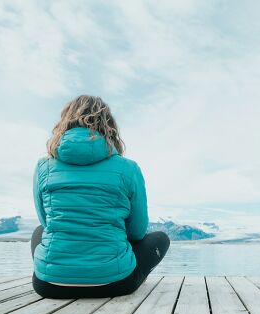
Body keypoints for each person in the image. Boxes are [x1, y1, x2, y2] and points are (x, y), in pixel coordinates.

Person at [30, 95, 169, 299]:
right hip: (115, 282)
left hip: (49, 284)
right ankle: (112, 268)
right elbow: (137, 232)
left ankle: (59, 270)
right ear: (108, 126)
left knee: (39, 231)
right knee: (161, 238)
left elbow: (46, 221)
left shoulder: (44, 167)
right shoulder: (128, 168)